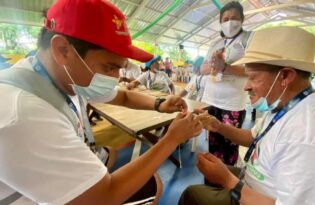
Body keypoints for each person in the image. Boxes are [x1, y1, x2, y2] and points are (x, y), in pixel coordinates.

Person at [0, 0, 203, 204]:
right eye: (109, 68)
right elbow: (103, 197)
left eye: (120, 68)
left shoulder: (62, 77)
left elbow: (122, 96)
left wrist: (159, 104)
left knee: (111, 152)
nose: (116, 78)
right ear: (63, 50)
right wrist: (171, 139)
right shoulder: (24, 114)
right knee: (153, 184)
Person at [179, 27, 315, 205]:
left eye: (253, 77)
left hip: (260, 194)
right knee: (211, 178)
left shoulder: (310, 138)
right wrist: (217, 125)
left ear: (285, 76)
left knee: (192, 194)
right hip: (260, 180)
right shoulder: (291, 105)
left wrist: (228, 181)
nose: (246, 87)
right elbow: (253, 137)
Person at [199, 1, 252, 165]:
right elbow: (202, 68)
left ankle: (227, 178)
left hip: (232, 102)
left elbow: (252, 68)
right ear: (221, 22)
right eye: (226, 19)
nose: (230, 22)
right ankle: (213, 177)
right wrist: (214, 66)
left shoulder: (249, 38)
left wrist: (226, 68)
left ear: (242, 20)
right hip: (211, 99)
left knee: (229, 142)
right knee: (214, 140)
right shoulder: (216, 43)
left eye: (234, 18)